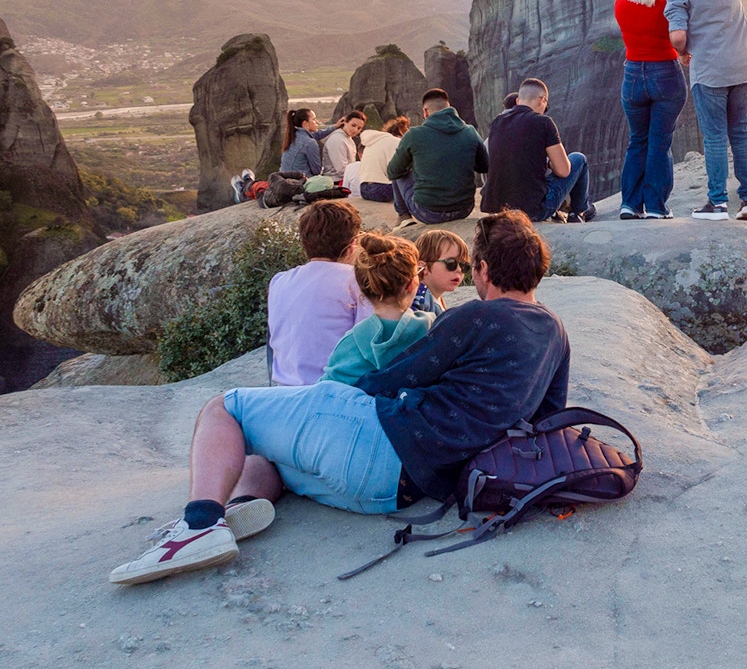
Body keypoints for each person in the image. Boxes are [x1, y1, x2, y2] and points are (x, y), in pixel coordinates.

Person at [110, 210, 571, 585]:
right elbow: (548, 419)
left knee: (224, 409)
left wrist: (329, 396)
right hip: (395, 492)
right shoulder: (556, 332)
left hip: (376, 437)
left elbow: (394, 376)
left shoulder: (474, 317)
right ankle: (236, 508)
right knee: (273, 457)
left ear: (485, 270)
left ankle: (198, 526)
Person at [664, 0, 747, 222]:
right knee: (742, 133)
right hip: (742, 64)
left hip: (710, 70)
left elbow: (678, 36)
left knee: (715, 137)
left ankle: (717, 203)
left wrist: (681, 54)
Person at [265, 201, 373, 386]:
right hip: (334, 392)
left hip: (285, 391)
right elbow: (369, 345)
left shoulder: (279, 281)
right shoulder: (356, 280)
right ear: (351, 246)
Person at [615, 0, 687, 219]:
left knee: (637, 141)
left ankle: (630, 204)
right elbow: (679, 36)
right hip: (665, 75)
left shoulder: (620, 4)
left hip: (632, 77)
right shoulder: (667, 6)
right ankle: (656, 206)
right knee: (659, 142)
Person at [321, 233, 434, 385]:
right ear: (411, 284)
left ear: (363, 289)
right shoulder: (434, 328)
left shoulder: (350, 343)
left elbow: (325, 391)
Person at [479, 78, 594, 223]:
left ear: (518, 101)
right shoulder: (544, 122)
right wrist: (551, 164)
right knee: (578, 158)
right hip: (532, 211)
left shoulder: (496, 123)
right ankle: (579, 211)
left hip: (497, 209)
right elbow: (564, 170)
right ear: (542, 100)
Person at [388, 89, 488, 226]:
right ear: (449, 107)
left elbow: (392, 172)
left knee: (398, 173)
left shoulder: (414, 135)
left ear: (425, 111)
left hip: (428, 212)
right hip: (464, 209)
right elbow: (484, 166)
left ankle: (404, 217)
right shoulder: (470, 132)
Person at [411, 228, 469, 314]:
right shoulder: (418, 298)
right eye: (451, 263)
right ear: (423, 266)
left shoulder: (434, 296)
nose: (459, 270)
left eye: (464, 265)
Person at [355, 116, 408, 203]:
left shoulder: (374, 141)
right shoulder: (396, 142)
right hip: (382, 191)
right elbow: (397, 171)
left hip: (364, 190)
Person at [280, 108, 341, 179]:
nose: (317, 122)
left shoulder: (294, 135)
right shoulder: (309, 143)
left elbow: (317, 134)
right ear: (305, 124)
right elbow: (316, 171)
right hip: (298, 183)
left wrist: (335, 126)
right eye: (314, 119)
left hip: (284, 180)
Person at [323, 109, 366, 178]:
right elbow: (341, 170)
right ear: (345, 122)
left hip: (347, 177)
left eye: (359, 128)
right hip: (335, 181)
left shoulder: (348, 138)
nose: (355, 130)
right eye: (353, 125)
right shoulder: (337, 140)